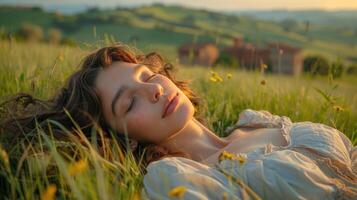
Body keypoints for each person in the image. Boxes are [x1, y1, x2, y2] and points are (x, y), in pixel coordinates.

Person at [1, 44, 356, 199]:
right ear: (123, 139)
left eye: (145, 75)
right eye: (129, 102)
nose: (153, 89)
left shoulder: (254, 121)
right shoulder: (176, 179)